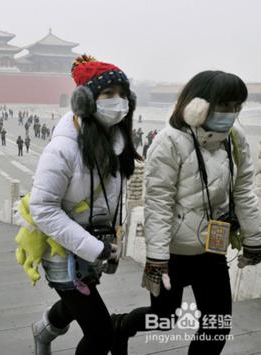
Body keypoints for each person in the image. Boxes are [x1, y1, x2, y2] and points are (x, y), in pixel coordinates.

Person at [110, 70, 261, 355]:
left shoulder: (234, 138)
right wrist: (156, 260)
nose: (231, 113)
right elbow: (158, 203)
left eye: (236, 106)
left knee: (217, 326)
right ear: (197, 104)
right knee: (165, 318)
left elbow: (243, 190)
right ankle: (121, 325)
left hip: (212, 247)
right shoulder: (168, 142)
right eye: (224, 105)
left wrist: (254, 239)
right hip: (173, 252)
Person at [27, 55, 140, 355]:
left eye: (123, 94)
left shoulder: (117, 142)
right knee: (101, 334)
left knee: (77, 300)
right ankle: (45, 331)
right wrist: (93, 247)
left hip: (94, 249)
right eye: (108, 94)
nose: (118, 101)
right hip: (62, 252)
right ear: (86, 102)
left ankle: (43, 330)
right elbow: (43, 208)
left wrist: (106, 244)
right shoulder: (63, 148)